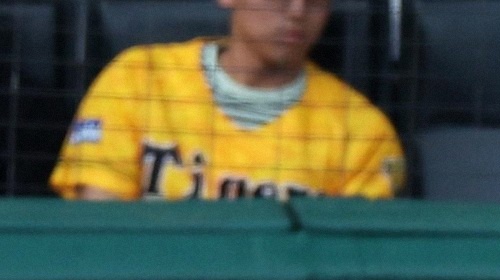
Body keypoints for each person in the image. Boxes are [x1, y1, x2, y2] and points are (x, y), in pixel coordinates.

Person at [50, 0, 402, 201]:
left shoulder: (362, 131)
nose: (297, 10)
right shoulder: (137, 77)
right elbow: (98, 225)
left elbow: (348, 267)